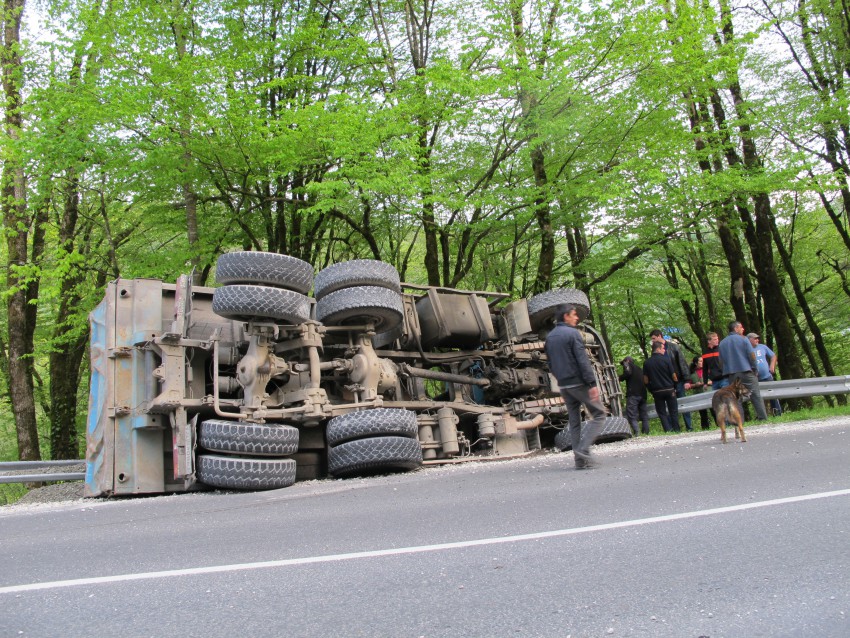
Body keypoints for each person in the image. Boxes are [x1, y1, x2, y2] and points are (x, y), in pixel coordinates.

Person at [545, 303, 607, 469]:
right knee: (599, 415)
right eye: (574, 314)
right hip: (579, 382)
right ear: (566, 316)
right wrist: (592, 383)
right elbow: (582, 360)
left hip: (564, 385)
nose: (577, 317)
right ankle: (583, 449)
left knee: (574, 422)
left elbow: (550, 364)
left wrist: (560, 379)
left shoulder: (550, 337)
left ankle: (579, 462)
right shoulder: (573, 334)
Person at [718, 321, 767, 420]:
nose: (743, 329)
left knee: (736, 398)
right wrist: (755, 368)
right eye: (741, 327)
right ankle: (762, 417)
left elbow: (721, 361)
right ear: (735, 329)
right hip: (746, 371)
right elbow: (752, 355)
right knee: (755, 395)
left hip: (732, 374)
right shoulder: (744, 339)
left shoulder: (722, 343)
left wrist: (726, 372)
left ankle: (740, 420)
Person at [649, 329, 692, 431]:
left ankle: (689, 427)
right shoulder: (655, 350)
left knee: (683, 403)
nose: (653, 341)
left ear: (659, 336)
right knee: (668, 407)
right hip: (665, 383)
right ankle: (672, 428)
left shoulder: (673, 347)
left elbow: (682, 363)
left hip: (678, 381)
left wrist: (687, 380)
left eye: (654, 338)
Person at [643, 341, 680, 433]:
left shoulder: (647, 363)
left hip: (657, 391)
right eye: (663, 348)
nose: (664, 350)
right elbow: (674, 375)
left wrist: (650, 389)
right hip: (669, 389)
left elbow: (645, 379)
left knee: (662, 413)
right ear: (658, 349)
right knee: (673, 411)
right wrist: (675, 386)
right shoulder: (667, 360)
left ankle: (667, 430)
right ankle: (677, 430)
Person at [747, 332, 782, 416]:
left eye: (757, 338)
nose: (757, 340)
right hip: (755, 378)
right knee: (757, 397)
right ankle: (761, 415)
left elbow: (773, 356)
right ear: (749, 340)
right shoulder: (746, 350)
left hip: (767, 376)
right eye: (755, 339)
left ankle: (777, 412)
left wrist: (772, 366)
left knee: (772, 394)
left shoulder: (762, 347)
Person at [619, 356, 650, 435]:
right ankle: (646, 432)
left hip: (633, 394)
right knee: (644, 415)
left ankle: (637, 432)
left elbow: (628, 373)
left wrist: (619, 378)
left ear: (627, 361)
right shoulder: (640, 369)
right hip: (643, 394)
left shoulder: (628, 364)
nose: (623, 365)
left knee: (631, 414)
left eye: (624, 363)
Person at [686, 355, 711, 430]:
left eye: (703, 361)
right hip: (699, 394)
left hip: (709, 393)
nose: (702, 362)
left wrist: (707, 383)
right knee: (703, 413)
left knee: (714, 411)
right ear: (696, 363)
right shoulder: (691, 373)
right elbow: (688, 385)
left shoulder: (708, 370)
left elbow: (714, 380)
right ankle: (705, 428)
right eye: (700, 361)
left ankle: (719, 425)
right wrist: (695, 385)